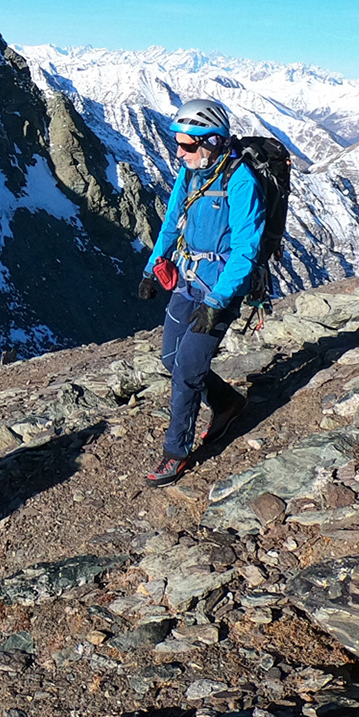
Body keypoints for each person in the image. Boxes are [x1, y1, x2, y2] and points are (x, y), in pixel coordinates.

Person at [142, 97, 266, 485]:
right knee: (169, 359)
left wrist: (216, 303)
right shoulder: (191, 173)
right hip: (186, 281)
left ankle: (174, 453)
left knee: (187, 372)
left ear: (212, 141)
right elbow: (171, 222)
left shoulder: (242, 180)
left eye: (189, 145)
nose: (180, 152)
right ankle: (228, 403)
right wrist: (151, 268)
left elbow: (247, 249)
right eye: (178, 143)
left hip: (218, 291)